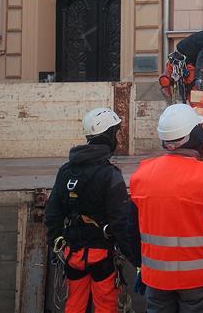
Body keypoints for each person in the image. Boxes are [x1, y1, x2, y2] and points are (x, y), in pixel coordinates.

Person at [127, 103, 203, 312]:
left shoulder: (141, 175)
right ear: (194, 135)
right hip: (195, 282)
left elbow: (130, 229)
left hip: (156, 280)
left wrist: (139, 264)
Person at [44, 107, 130, 313]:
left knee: (74, 304)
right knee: (105, 305)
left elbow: (53, 213)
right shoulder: (110, 175)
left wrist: (55, 239)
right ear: (108, 135)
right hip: (101, 254)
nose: (118, 138)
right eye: (116, 132)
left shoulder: (66, 170)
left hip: (72, 253)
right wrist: (135, 259)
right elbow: (121, 222)